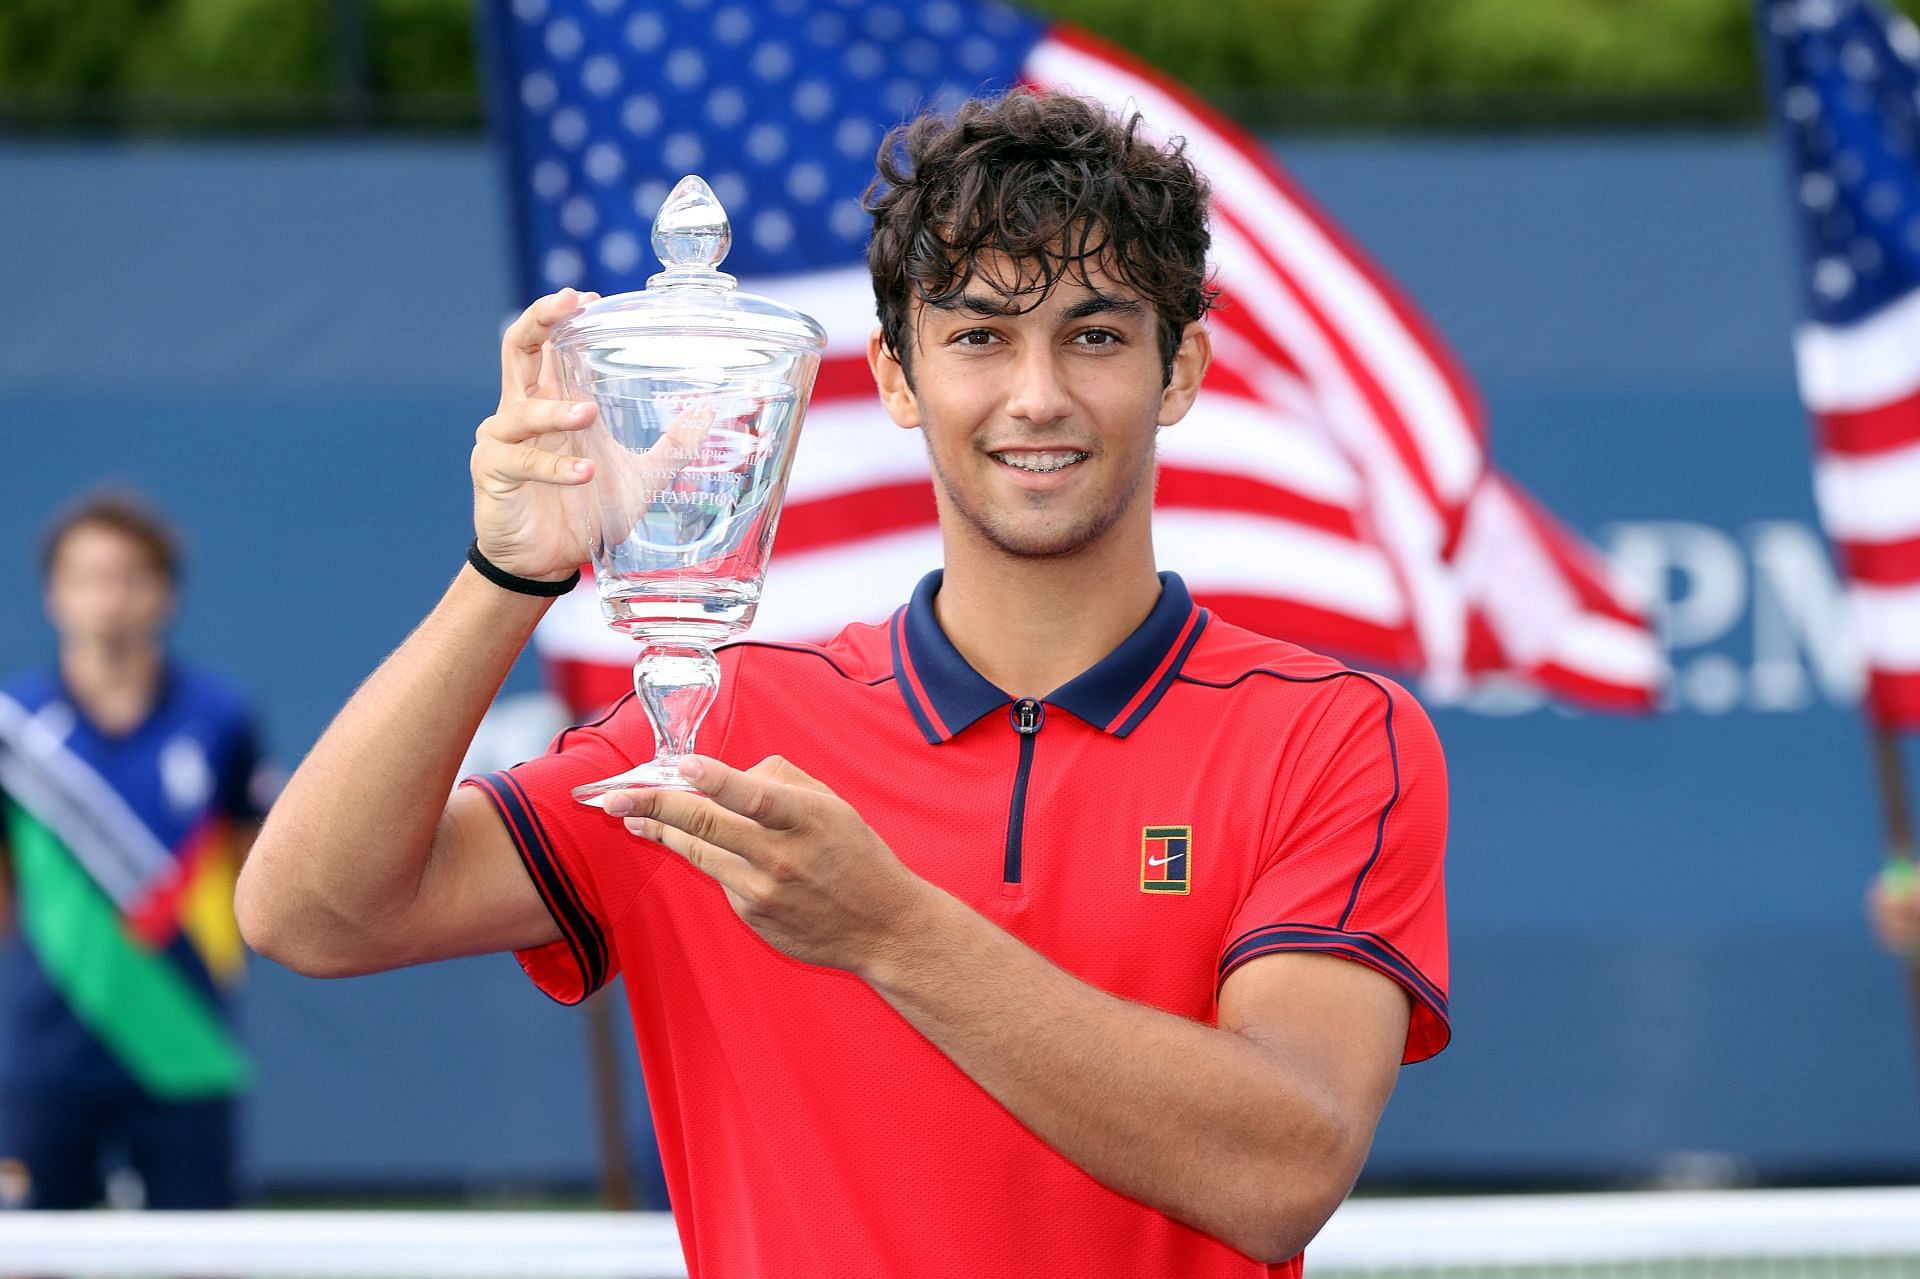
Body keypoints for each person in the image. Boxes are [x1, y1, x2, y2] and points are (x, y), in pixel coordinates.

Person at [238, 92, 1449, 1276]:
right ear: (895, 374)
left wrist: (888, 928)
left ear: (1178, 368)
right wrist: (506, 573)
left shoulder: (1333, 734)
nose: (1037, 394)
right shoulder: (722, 722)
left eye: (1095, 334)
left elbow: (1281, 1172)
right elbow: (311, 912)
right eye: (978, 335)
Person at [0, 492, 269, 1210]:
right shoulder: (12, 726)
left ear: (164, 593)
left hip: (187, 1047)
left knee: (202, 1258)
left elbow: (255, 871)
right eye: (87, 576)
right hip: (45, 1058)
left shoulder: (222, 717)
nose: (108, 598)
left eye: (128, 576)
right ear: (55, 593)